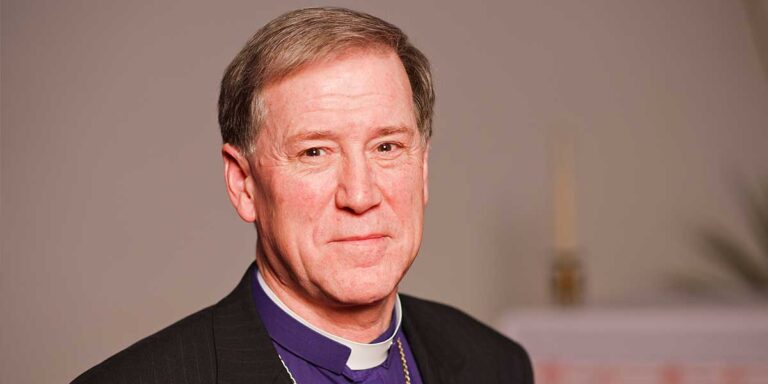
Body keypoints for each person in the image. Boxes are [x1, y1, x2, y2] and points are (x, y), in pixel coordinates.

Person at [72, 7, 533, 384]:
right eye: (315, 151)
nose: (360, 194)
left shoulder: (496, 365)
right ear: (243, 184)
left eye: (387, 146)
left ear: (424, 168)